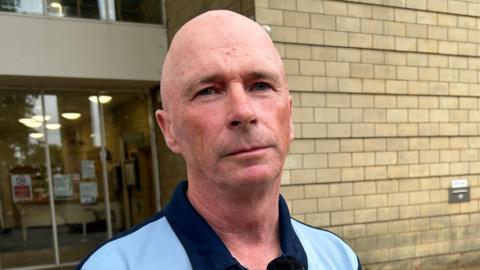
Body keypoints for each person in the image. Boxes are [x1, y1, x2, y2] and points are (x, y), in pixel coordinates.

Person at [77, 10, 361, 270]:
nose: (243, 111)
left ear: (289, 118)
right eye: (208, 91)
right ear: (169, 130)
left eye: (260, 85)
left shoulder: (339, 258)